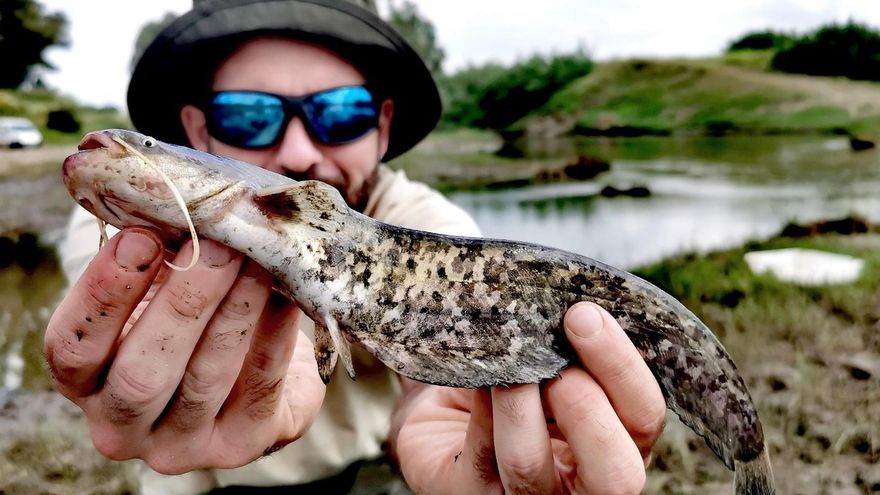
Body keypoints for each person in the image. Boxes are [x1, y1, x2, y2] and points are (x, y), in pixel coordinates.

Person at [44, 0, 667, 493]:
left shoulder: (422, 221)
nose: (298, 153)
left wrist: (446, 421)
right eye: (249, 116)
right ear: (196, 131)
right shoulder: (130, 229)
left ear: (383, 126)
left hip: (369, 477)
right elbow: (108, 318)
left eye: (340, 113)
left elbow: (436, 388)